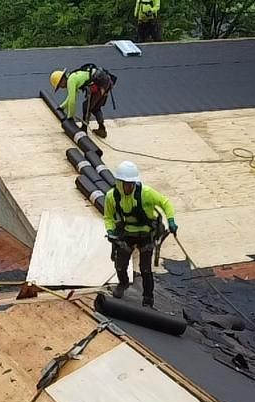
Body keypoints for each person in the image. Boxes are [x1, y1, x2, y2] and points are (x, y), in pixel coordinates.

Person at [103, 161, 176, 308]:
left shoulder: (146, 193)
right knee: (120, 265)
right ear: (119, 183)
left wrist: (171, 220)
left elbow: (165, 202)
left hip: (145, 235)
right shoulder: (112, 197)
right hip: (126, 234)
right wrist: (110, 231)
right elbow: (108, 217)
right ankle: (123, 283)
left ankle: (148, 297)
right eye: (126, 184)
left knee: (145, 269)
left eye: (132, 183)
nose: (129, 187)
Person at [50, 65, 116, 138]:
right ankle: (102, 129)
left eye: (60, 86)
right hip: (104, 82)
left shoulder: (71, 81)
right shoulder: (73, 76)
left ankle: (84, 129)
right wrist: (62, 107)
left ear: (62, 80)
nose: (62, 88)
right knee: (95, 108)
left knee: (86, 106)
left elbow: (72, 101)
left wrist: (70, 117)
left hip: (101, 83)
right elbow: (72, 96)